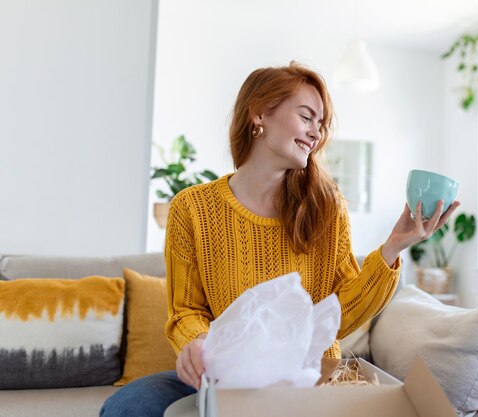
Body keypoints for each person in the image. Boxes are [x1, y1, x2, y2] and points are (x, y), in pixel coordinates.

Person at [100, 61, 459, 417]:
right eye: (306, 117)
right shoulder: (192, 208)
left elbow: (340, 315)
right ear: (259, 114)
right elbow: (186, 312)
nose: (316, 133)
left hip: (307, 378)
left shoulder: (326, 207)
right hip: (224, 374)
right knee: (126, 407)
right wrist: (198, 344)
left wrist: (393, 247)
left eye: (320, 124)